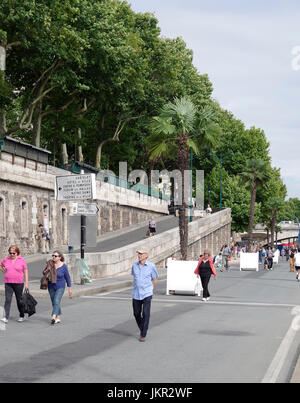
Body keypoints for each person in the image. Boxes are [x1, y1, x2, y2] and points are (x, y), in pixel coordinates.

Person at [131, 247, 158, 342]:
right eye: (138, 253)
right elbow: (134, 277)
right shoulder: (134, 266)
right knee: (136, 313)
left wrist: (151, 289)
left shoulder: (151, 266)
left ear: (146, 255)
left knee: (146, 314)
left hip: (147, 293)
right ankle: (143, 327)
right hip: (136, 294)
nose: (139, 255)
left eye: (141, 254)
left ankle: (143, 334)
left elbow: (154, 279)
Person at [0, 245, 29, 323]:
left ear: (17, 253)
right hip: (8, 283)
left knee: (19, 300)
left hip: (18, 283)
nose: (12, 255)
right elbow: (0, 265)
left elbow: (25, 272)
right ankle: (6, 317)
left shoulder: (21, 260)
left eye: (13, 253)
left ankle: (22, 315)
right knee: (7, 300)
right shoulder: (6, 260)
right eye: (10, 253)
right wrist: (4, 271)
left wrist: (26, 283)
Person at [43, 250, 72, 325]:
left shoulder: (63, 266)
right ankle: (58, 318)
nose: (53, 257)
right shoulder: (50, 263)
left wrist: (69, 288)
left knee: (56, 301)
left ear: (60, 257)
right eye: (53, 255)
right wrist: (47, 269)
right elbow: (44, 272)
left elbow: (67, 277)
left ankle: (53, 316)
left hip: (60, 286)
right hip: (51, 286)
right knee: (54, 302)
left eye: (55, 256)